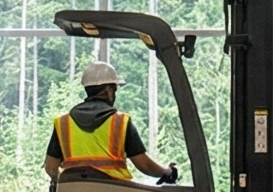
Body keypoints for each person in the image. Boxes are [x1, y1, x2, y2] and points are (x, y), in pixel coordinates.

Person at [44, 62, 177, 184]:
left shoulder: (63, 123)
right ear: (108, 90)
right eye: (115, 89)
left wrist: (69, 185)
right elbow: (144, 165)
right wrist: (166, 172)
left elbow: (51, 167)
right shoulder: (120, 122)